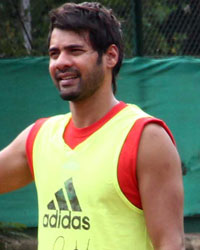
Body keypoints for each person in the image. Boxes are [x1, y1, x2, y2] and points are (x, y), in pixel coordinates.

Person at [0, 2, 184, 250]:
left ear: (110, 56)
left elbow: (170, 244)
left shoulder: (145, 137)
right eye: (54, 54)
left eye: (75, 51)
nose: (61, 62)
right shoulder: (39, 137)